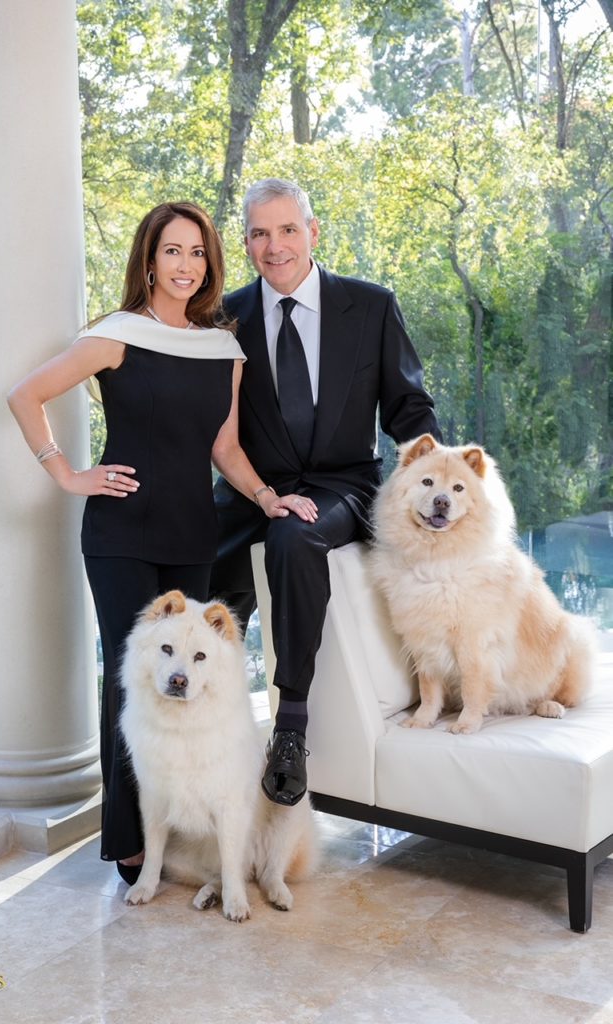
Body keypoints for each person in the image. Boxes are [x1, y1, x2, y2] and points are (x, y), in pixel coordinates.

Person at [7, 201, 312, 883]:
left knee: (183, 679)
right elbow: (26, 395)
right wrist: (66, 473)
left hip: (190, 534)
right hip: (120, 534)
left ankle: (174, 820)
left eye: (197, 252)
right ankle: (126, 842)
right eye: (172, 251)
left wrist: (267, 498)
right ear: (148, 259)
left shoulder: (221, 347)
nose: (185, 265)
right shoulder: (117, 335)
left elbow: (224, 447)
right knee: (132, 681)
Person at [210, 178, 443, 807]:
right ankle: (200, 741)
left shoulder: (368, 306)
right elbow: (207, 422)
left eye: (288, 230)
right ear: (247, 241)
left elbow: (409, 408)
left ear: (313, 233)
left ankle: (290, 726)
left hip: (341, 485)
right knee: (188, 560)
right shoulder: (225, 317)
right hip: (250, 488)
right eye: (259, 233)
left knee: (293, 538)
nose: (274, 245)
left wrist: (434, 486)